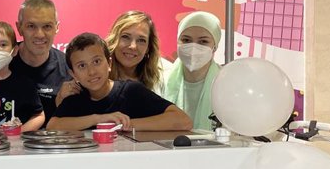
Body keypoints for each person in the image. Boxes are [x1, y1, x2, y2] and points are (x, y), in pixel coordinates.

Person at [47, 33, 192, 132]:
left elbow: (183, 120)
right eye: (82, 66)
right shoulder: (76, 95)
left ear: (109, 63)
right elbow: (53, 126)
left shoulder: (130, 91)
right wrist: (99, 119)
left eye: (96, 62)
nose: (91, 72)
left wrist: (125, 125)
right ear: (73, 74)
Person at [11, 0, 77, 125]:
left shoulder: (69, 67)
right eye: (31, 26)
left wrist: (61, 103)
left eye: (47, 26)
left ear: (56, 28)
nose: (40, 34)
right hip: (4, 143)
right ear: (19, 28)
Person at [162, 11, 222, 131]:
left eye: (203, 41)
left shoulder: (226, 83)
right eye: (186, 40)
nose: (193, 47)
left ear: (214, 46)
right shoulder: (161, 81)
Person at [105, 10, 164, 93]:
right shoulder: (95, 79)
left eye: (141, 40)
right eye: (126, 37)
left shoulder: (158, 83)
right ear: (114, 39)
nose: (133, 46)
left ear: (148, 48)